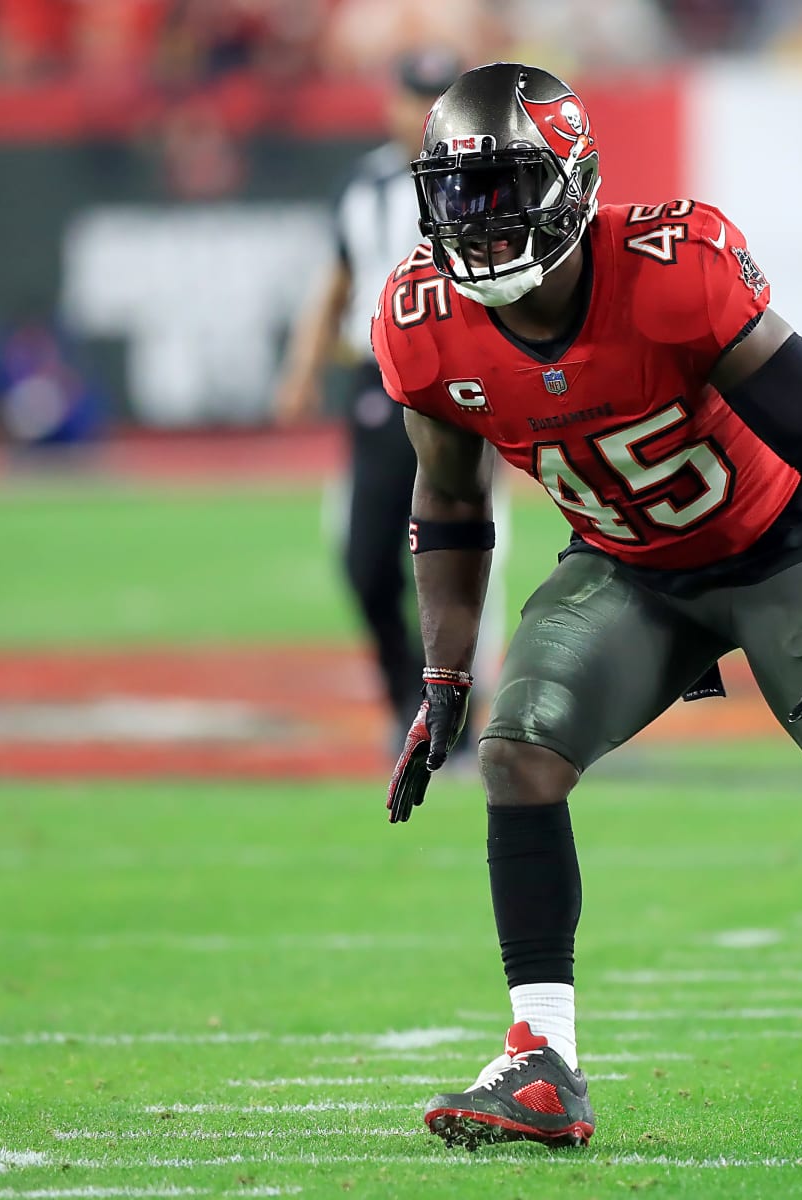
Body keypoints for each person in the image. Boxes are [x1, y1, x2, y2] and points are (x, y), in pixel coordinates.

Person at [371, 62, 802, 1154]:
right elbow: (451, 502)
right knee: (517, 754)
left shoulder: (671, 266)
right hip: (626, 565)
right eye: (460, 194)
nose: (483, 219)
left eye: (508, 187)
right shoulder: (423, 319)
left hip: (774, 550)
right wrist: (445, 676)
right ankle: (541, 1061)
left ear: (572, 180)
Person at [275, 49, 491, 740]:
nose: (421, 113)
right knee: (365, 557)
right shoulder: (363, 184)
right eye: (413, 96)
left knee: (465, 552)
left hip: (463, 378)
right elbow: (336, 278)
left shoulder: (485, 175)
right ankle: (410, 698)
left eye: (438, 98)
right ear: (390, 102)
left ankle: (463, 711)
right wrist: (303, 366)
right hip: (382, 378)